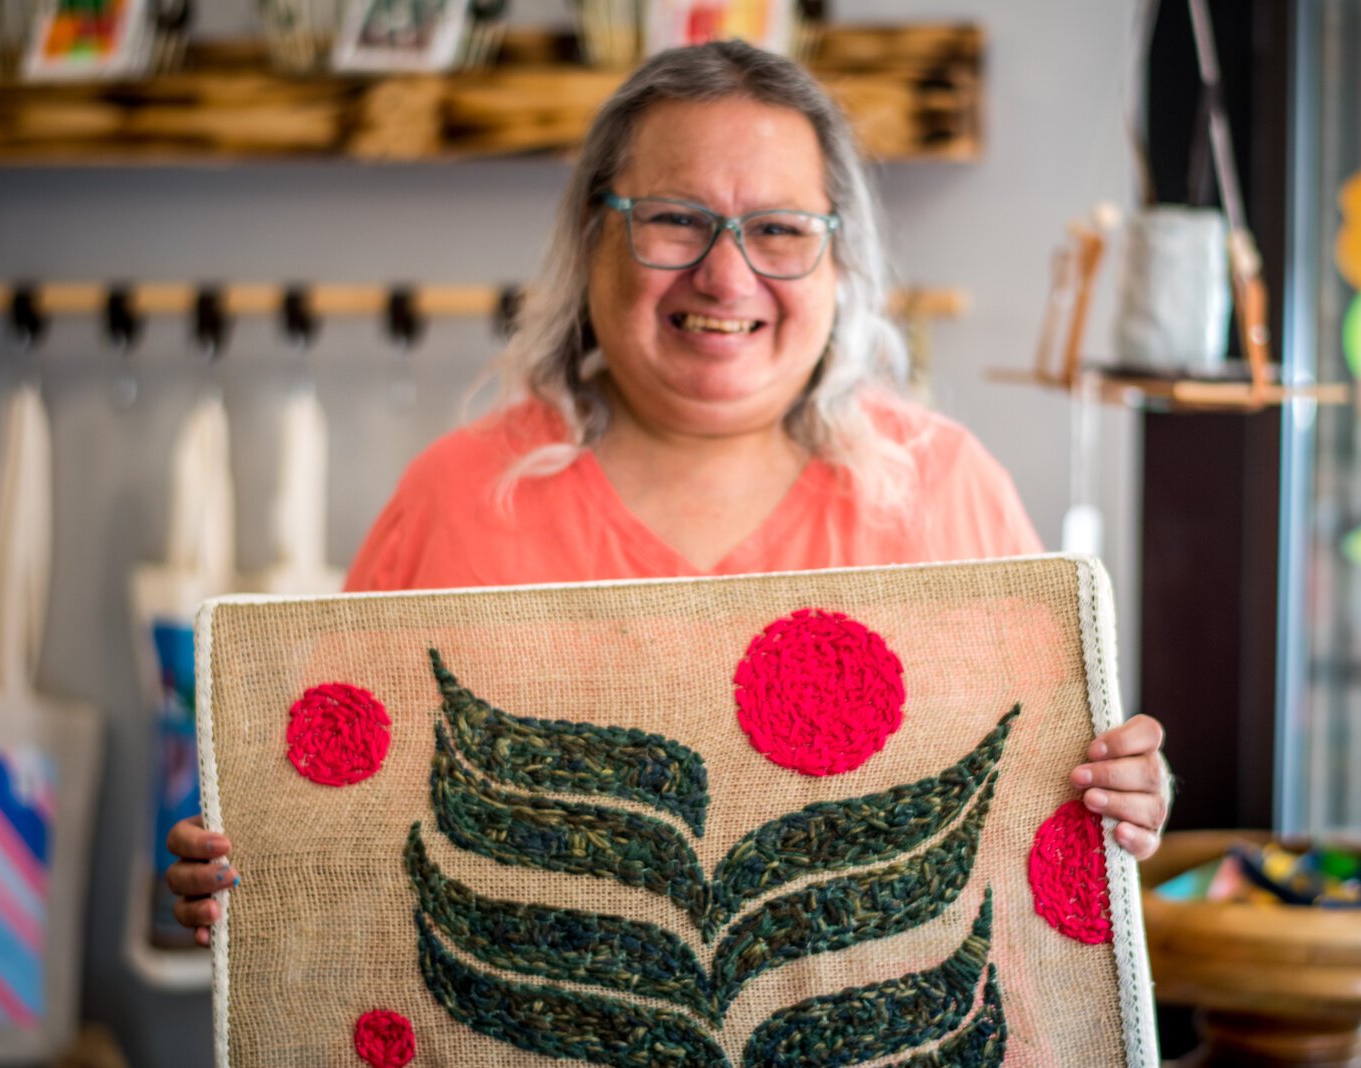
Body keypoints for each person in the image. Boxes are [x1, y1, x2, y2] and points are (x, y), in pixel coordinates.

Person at [166, 40, 1170, 946]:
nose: (726, 277)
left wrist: (1123, 800)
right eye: (676, 220)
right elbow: (332, 830)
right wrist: (249, 871)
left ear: (840, 263)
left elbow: (1032, 823)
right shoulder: (455, 498)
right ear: (591, 240)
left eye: (778, 229)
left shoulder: (946, 491)